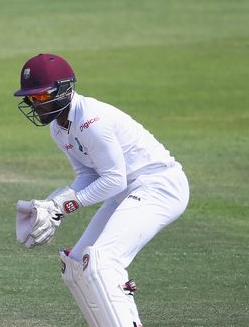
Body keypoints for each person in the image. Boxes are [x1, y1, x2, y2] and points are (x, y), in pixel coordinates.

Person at [13, 53, 189, 327]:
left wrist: (63, 206)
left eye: (41, 97)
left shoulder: (91, 121)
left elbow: (114, 180)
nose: (36, 105)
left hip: (159, 185)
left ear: (64, 90)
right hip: (127, 191)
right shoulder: (58, 128)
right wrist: (53, 204)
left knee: (102, 261)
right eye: (31, 99)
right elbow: (88, 174)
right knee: (75, 266)